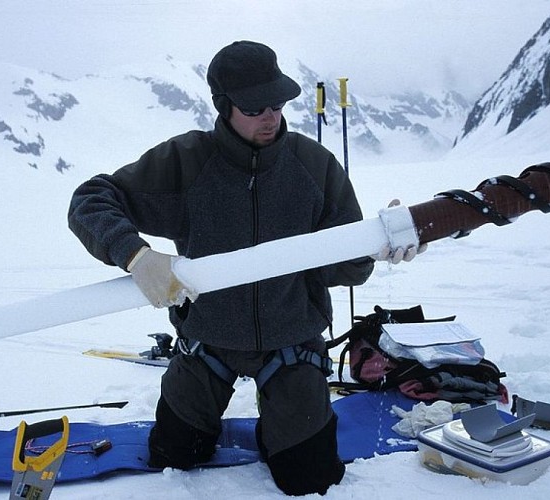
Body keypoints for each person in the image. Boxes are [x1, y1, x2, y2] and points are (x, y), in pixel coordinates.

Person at [68, 40, 424, 496]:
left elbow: (346, 271)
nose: (270, 116)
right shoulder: (185, 163)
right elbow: (90, 200)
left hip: (291, 340)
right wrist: (135, 255)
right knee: (174, 456)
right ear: (223, 105)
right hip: (209, 341)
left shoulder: (313, 166)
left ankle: (282, 422)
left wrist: (373, 246)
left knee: (307, 477)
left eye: (276, 103)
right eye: (255, 107)